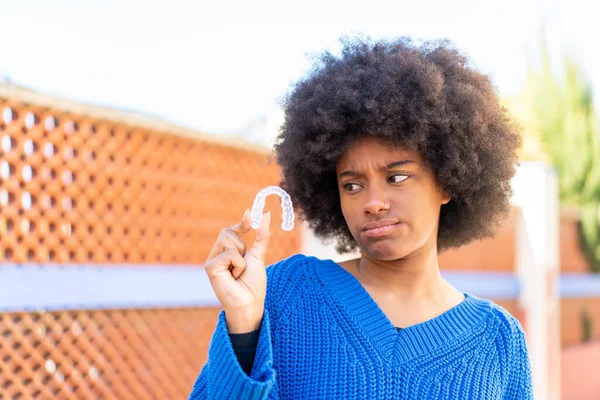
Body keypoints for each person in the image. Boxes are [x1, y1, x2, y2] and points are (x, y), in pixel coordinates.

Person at [188, 36, 533, 399]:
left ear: (447, 182)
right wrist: (244, 325)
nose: (373, 202)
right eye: (352, 185)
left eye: (396, 177)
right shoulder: (284, 295)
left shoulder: (499, 342)